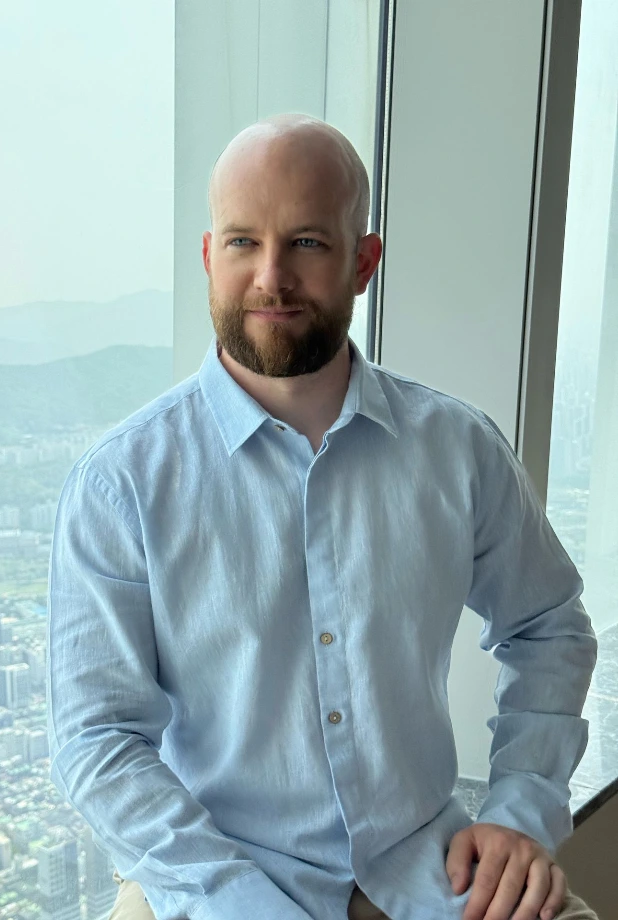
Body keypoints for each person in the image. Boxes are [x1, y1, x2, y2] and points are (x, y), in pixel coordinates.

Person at [47, 115, 599, 920]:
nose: (271, 277)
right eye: (243, 242)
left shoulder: (459, 449)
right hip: (213, 878)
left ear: (363, 262)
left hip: (429, 866)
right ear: (208, 257)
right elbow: (98, 739)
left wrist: (521, 813)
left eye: (306, 242)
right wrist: (237, 902)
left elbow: (548, 625)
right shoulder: (120, 484)